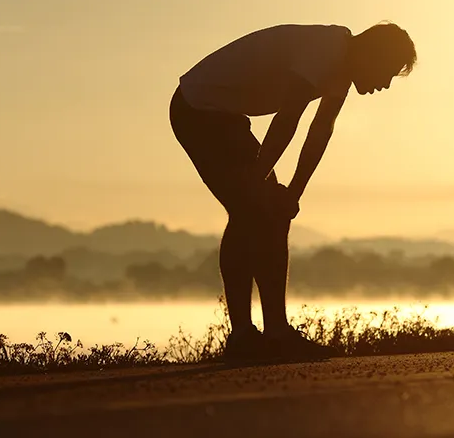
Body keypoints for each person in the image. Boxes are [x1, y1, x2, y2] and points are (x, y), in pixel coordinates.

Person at [170, 22, 417, 363]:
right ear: (373, 54)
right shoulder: (327, 49)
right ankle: (245, 336)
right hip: (198, 108)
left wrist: (293, 194)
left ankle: (274, 333)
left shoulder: (340, 68)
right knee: (250, 210)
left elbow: (320, 132)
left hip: (224, 116)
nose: (384, 84)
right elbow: (290, 117)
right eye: (387, 73)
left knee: (271, 211)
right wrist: (259, 180)